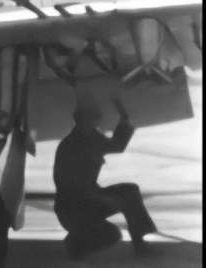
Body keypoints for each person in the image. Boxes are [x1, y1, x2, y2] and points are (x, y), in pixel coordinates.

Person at [53, 95, 157, 259]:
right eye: (91, 118)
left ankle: (140, 244)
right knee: (111, 235)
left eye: (95, 118)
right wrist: (107, 200)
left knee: (130, 191)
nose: (95, 122)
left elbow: (116, 145)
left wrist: (123, 116)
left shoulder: (91, 137)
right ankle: (75, 245)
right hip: (72, 209)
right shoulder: (69, 146)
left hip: (89, 201)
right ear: (80, 119)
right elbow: (74, 188)